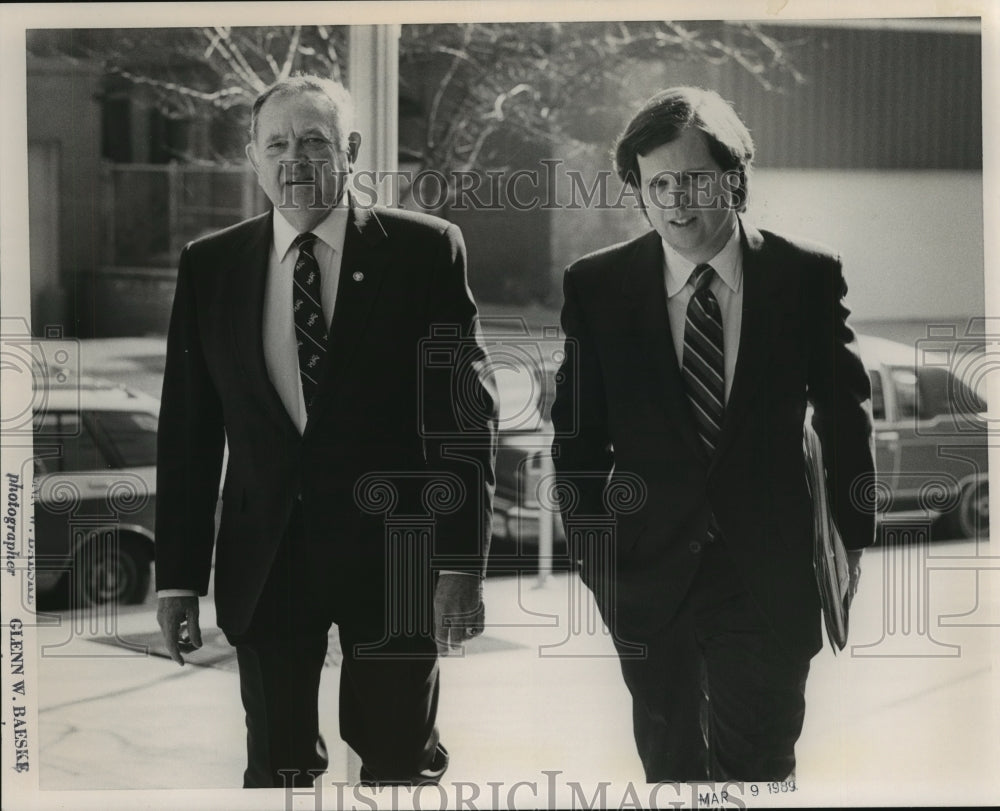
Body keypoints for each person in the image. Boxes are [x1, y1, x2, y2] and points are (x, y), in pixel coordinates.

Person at [154, 74, 497, 789]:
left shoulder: (425, 251)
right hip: (266, 561)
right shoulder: (211, 264)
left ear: (352, 149)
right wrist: (178, 576)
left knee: (397, 763)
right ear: (252, 156)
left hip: (395, 560)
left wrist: (461, 561)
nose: (294, 159)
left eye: (313, 141)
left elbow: (462, 418)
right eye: (276, 143)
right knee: (275, 767)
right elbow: (188, 432)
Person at [550, 86, 875, 782]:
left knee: (756, 768)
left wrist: (852, 537)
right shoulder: (598, 285)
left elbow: (846, 412)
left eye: (693, 179)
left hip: (768, 575)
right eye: (656, 183)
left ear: (735, 176)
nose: (675, 200)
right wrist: (597, 564)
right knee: (670, 772)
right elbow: (578, 441)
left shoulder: (802, 276)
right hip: (647, 577)